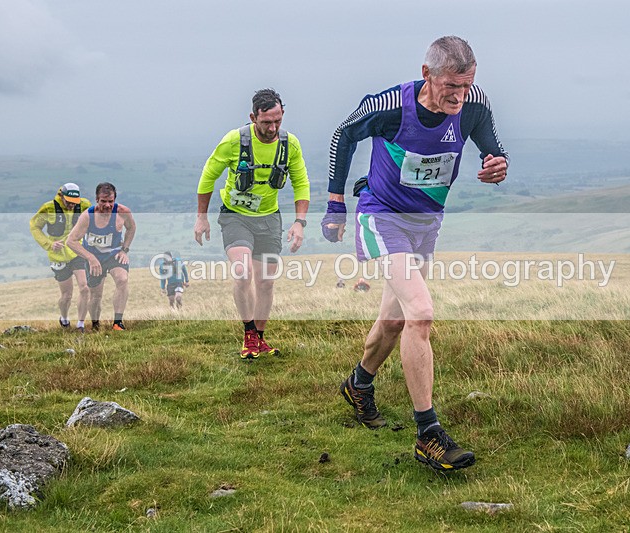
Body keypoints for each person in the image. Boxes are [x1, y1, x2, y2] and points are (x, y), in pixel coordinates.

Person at [321, 36, 508, 471]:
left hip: (427, 222)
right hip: (382, 215)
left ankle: (359, 384)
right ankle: (429, 433)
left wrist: (498, 164)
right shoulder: (388, 106)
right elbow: (341, 137)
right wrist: (335, 205)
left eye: (466, 86)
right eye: (450, 87)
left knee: (395, 319)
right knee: (421, 312)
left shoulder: (473, 105)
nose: (459, 97)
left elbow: (492, 147)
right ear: (427, 75)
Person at [194, 88, 310, 360]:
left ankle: (259, 337)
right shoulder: (234, 141)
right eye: (266, 122)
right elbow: (208, 176)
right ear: (253, 117)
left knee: (266, 282)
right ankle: (248, 334)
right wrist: (201, 217)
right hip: (235, 216)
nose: (272, 128)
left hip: (269, 219)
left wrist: (300, 222)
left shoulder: (289, 144)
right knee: (243, 272)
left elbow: (301, 182)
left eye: (278, 121)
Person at [66, 182, 137, 331]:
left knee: (122, 279)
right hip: (94, 257)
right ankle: (95, 324)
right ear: (97, 200)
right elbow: (71, 241)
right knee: (96, 295)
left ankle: (118, 323)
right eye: (103, 201)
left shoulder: (123, 212)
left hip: (113, 254)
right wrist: (90, 258)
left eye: (111, 201)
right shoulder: (88, 216)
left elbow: (131, 227)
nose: (107, 205)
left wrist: (124, 250)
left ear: (115, 200)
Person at [29, 183, 93, 332]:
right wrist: (49, 244)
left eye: (74, 202)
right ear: (61, 196)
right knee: (66, 295)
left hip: (78, 251)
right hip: (58, 256)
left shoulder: (85, 205)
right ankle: (64, 318)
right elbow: (34, 226)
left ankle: (80, 325)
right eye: (69, 201)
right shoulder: (48, 208)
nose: (71, 205)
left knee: (84, 288)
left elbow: (93, 221)